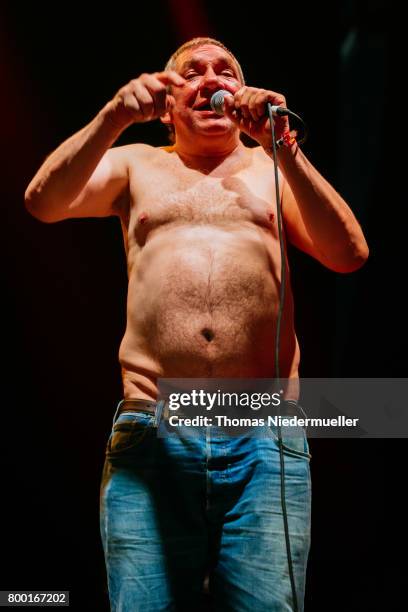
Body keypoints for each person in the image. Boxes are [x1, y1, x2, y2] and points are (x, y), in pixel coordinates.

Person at [25, 37, 368, 612]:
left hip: (262, 432)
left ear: (245, 94)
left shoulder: (272, 168)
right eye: (193, 71)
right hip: (152, 427)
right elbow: (43, 200)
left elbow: (349, 254)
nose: (212, 77)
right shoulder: (137, 162)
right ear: (166, 99)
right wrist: (114, 116)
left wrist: (283, 147)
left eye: (227, 70)